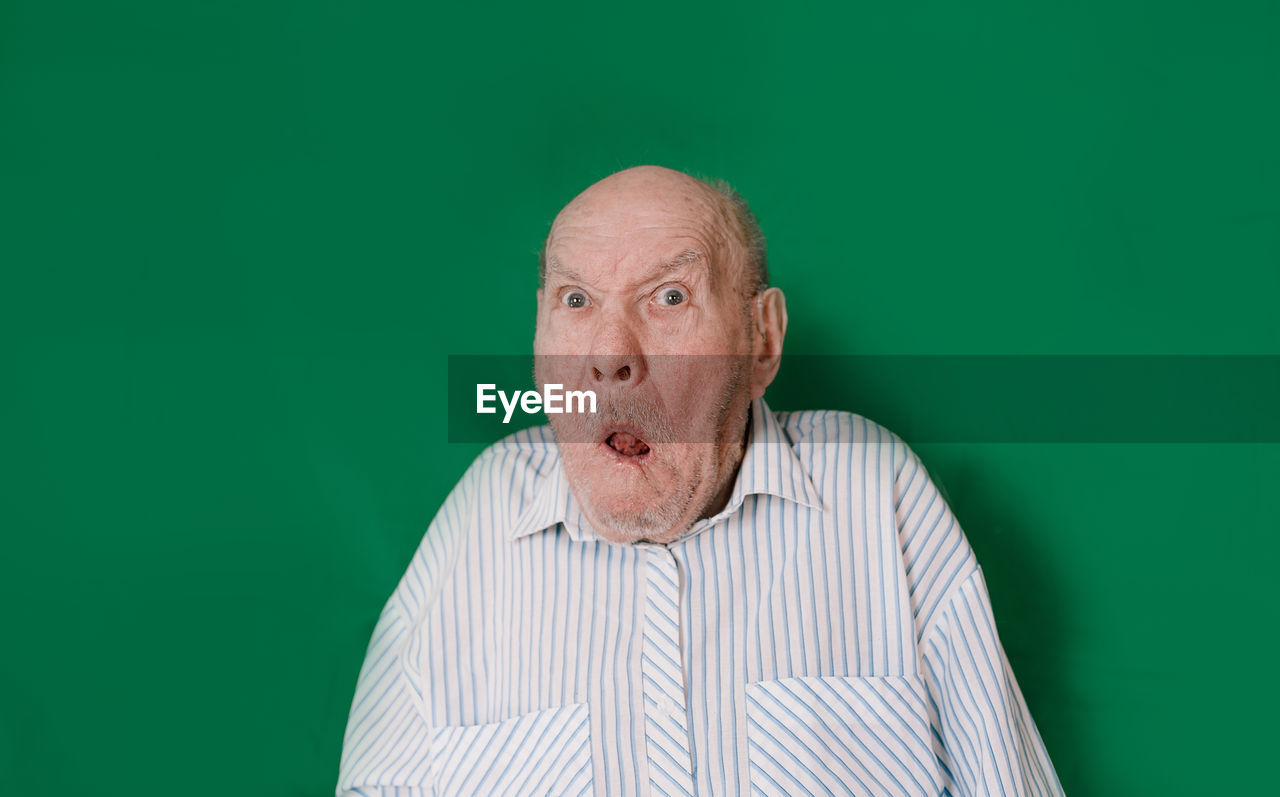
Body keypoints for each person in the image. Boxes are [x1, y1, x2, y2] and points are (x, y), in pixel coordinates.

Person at [336, 166, 1063, 796]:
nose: (610, 355)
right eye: (576, 301)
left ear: (763, 341)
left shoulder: (875, 493)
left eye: (670, 298)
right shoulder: (482, 517)